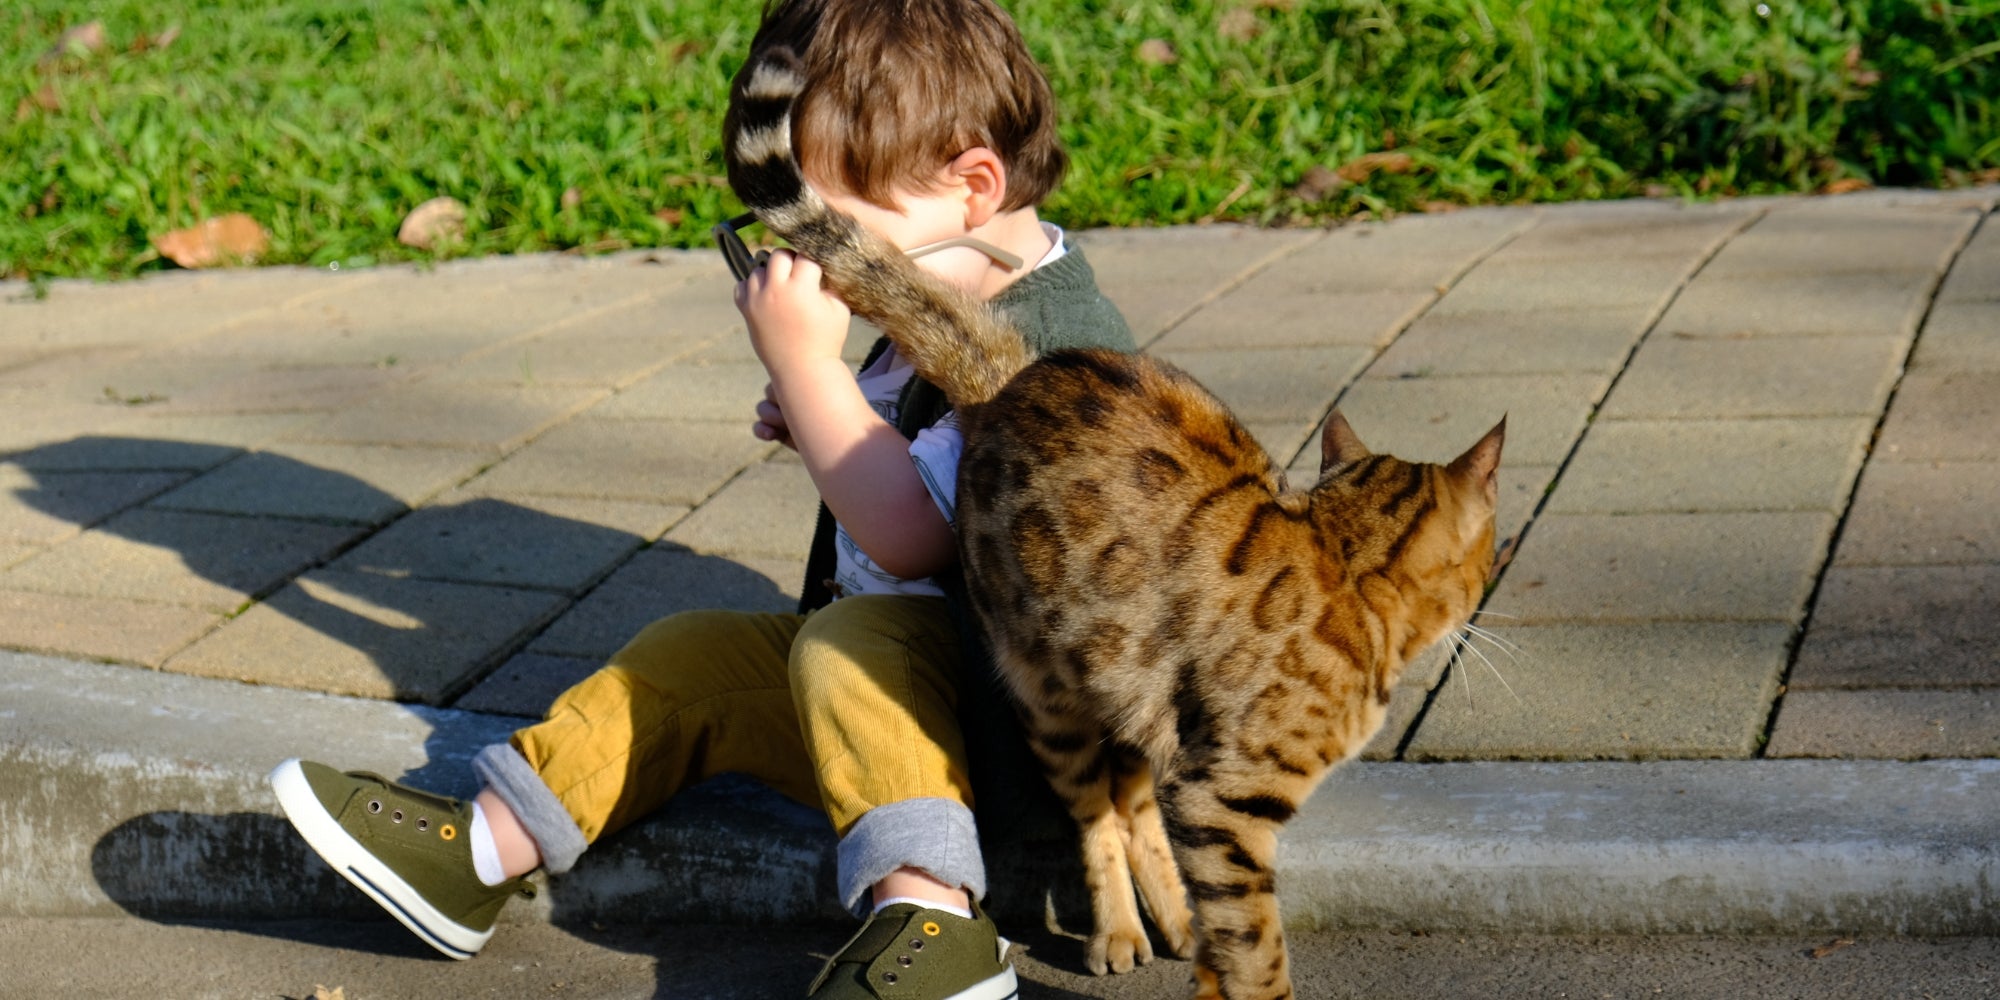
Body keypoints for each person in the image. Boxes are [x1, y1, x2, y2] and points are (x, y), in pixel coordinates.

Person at [269, 1, 1135, 996]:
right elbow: (908, 479)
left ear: (972, 184)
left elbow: (907, 538)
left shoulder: (1055, 352)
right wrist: (828, 410)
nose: (811, 266)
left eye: (832, 235)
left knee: (852, 641)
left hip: (1020, 770)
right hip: (897, 713)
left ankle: (933, 921)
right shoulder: (944, 286)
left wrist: (810, 376)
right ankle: (474, 856)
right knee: (685, 661)